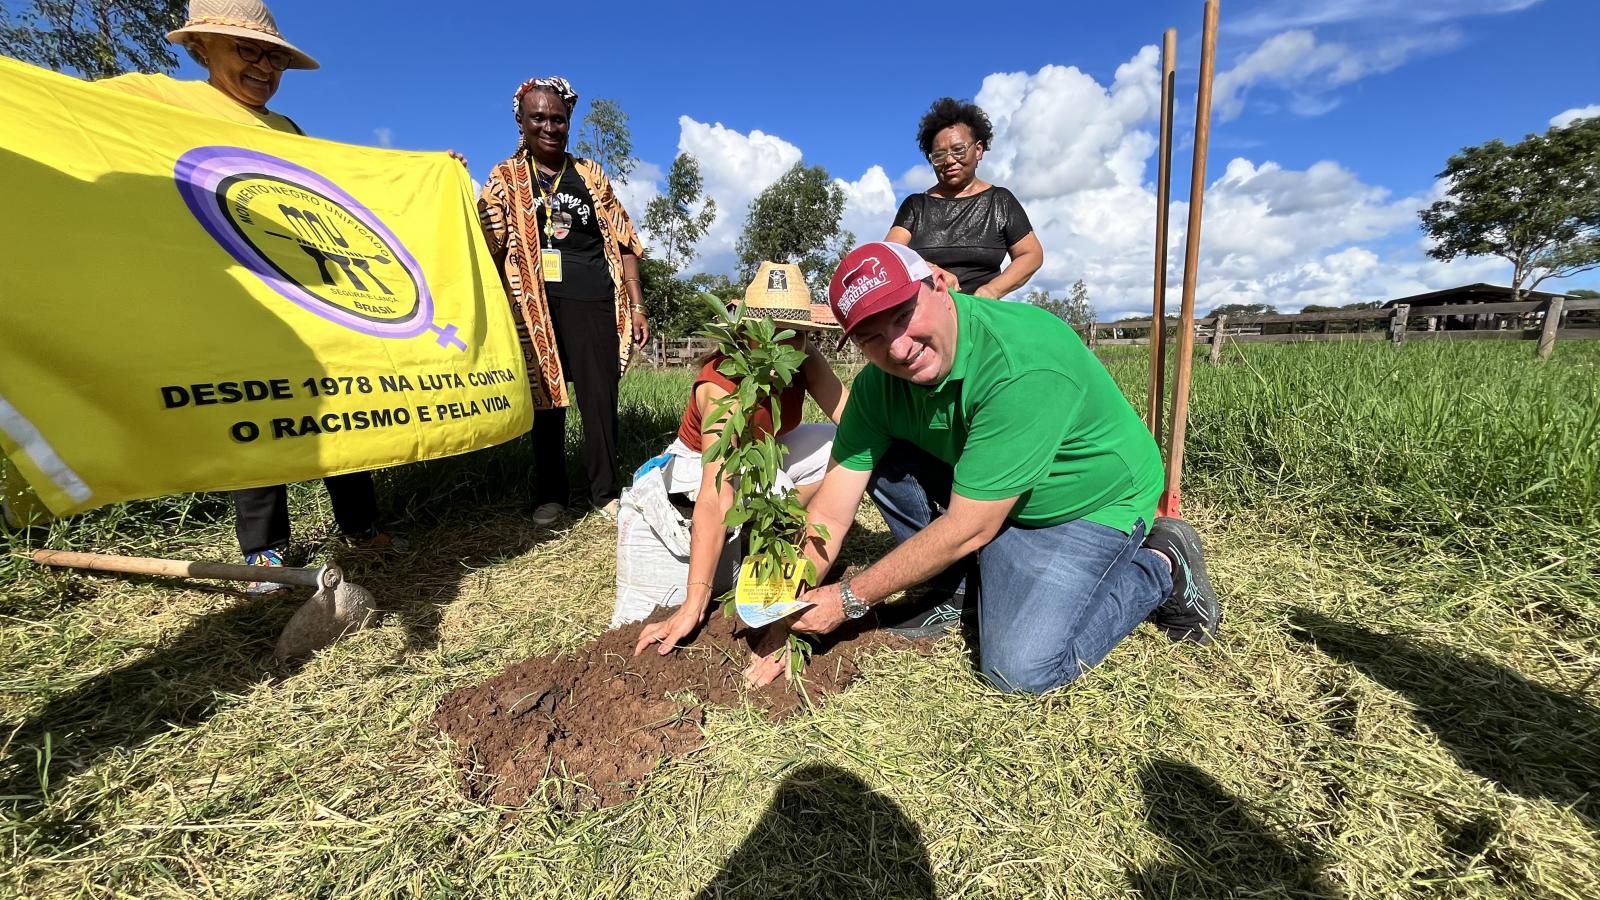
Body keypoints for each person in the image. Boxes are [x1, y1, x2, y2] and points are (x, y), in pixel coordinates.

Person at [773, 242, 1220, 694]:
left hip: (1087, 501)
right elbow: (830, 512)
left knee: (1018, 672)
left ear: (941, 286)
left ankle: (1162, 562)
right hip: (993, 492)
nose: (899, 347)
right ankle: (956, 589)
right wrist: (786, 597)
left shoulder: (1020, 363)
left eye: (902, 315)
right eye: (871, 336)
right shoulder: (877, 388)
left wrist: (849, 599)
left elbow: (970, 527)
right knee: (882, 456)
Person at [96, 0, 404, 586]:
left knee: (340, 406)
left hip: (302, 293)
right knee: (256, 411)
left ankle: (361, 527)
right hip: (230, 292)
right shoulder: (159, 99)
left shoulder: (287, 131)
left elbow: (333, 197)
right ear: (201, 47)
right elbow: (76, 119)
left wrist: (428, 177)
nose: (264, 66)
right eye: (247, 50)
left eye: (274, 56)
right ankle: (265, 551)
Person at [623, 264, 848, 681]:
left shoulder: (801, 354)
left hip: (764, 448)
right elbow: (714, 495)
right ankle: (772, 563)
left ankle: (792, 514)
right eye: (772, 331)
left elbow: (852, 420)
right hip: (701, 462)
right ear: (747, 331)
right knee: (773, 487)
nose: (787, 344)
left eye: (796, 333)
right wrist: (695, 603)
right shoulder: (721, 386)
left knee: (845, 447)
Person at [478, 76, 649, 526]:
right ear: (521, 120)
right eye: (539, 117)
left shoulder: (590, 175)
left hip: (593, 298)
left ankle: (604, 491)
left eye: (558, 118)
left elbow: (625, 239)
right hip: (532, 304)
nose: (549, 126)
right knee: (546, 401)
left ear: (569, 120)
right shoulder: (505, 177)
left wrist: (636, 304)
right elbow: (487, 242)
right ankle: (551, 494)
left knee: (599, 397)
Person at [886, 98, 1043, 299]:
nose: (949, 160)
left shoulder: (1000, 201)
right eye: (939, 155)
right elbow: (890, 255)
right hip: (926, 313)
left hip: (983, 312)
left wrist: (990, 291)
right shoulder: (915, 206)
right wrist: (931, 271)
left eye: (958, 150)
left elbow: (1031, 254)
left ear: (978, 150)